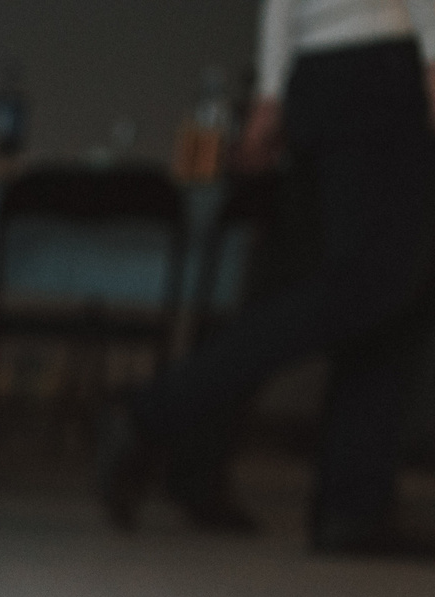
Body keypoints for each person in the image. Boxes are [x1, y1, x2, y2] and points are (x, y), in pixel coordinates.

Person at [99, 0, 435, 555]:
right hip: (386, 69)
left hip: (320, 77)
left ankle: (350, 504)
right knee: (368, 287)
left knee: (368, 293)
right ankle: (153, 412)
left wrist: (274, 92)